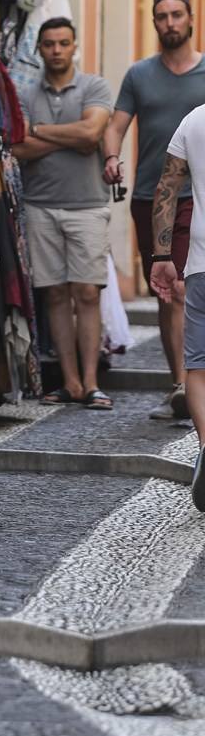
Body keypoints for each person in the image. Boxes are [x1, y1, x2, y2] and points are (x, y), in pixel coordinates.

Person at [104, 0, 205, 420]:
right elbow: (116, 124)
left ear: (191, 19)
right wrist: (111, 156)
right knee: (167, 292)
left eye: (176, 15)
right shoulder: (139, 75)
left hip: (194, 195)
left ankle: (188, 381)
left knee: (182, 289)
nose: (169, 23)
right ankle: (179, 382)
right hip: (151, 195)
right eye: (161, 16)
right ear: (155, 23)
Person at [13, 17, 114, 410]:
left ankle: (91, 382)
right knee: (54, 295)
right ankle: (69, 381)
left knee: (87, 293)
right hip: (39, 206)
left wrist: (39, 132)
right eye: (50, 44)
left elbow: (92, 135)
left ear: (75, 47)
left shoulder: (94, 86)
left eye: (63, 43)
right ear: (39, 49)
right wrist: (71, 137)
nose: (56, 50)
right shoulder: (23, 94)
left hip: (88, 206)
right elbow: (17, 149)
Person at [150, 106, 205, 510]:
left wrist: (161, 255)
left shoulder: (193, 119)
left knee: (199, 367)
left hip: (202, 263)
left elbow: (167, 187)